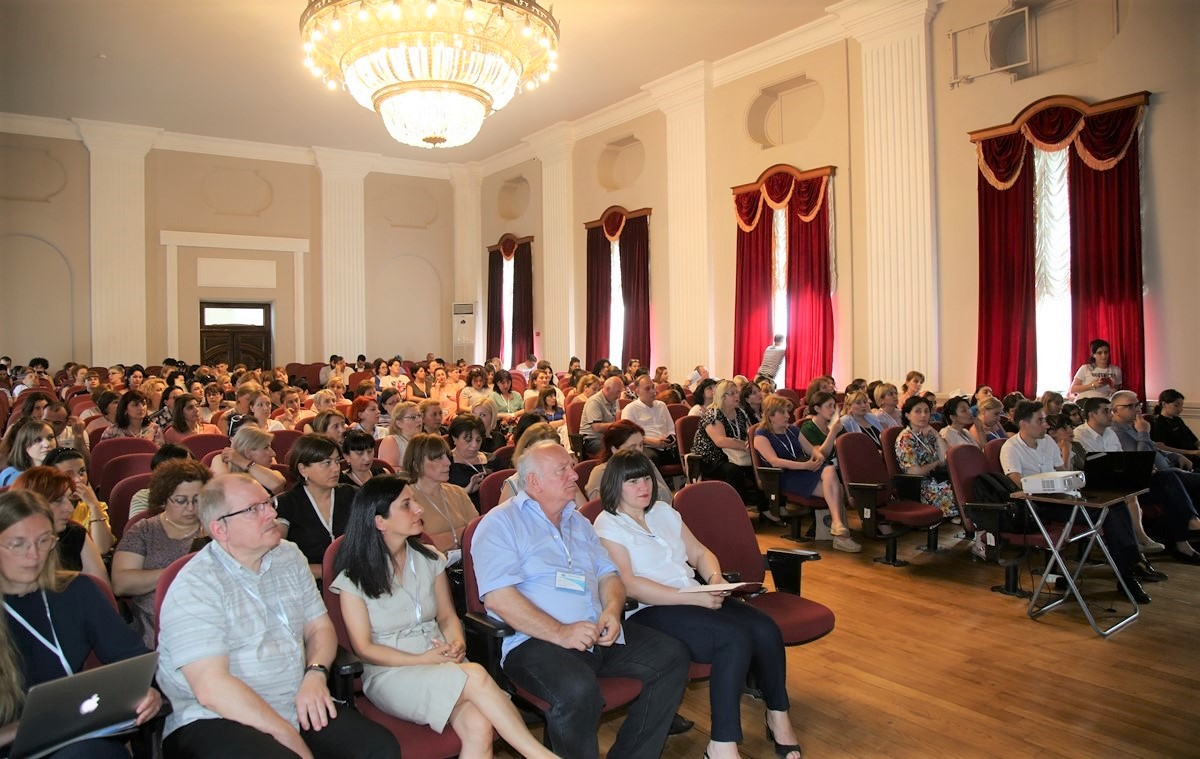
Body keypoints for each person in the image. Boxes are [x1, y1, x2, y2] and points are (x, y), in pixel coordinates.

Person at [470, 442, 690, 759]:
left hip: (594, 631)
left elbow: (609, 575)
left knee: (671, 656)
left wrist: (612, 610)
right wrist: (561, 632)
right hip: (535, 642)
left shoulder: (579, 522)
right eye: (562, 470)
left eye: (571, 468)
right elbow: (499, 598)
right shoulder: (500, 524)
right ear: (534, 482)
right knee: (578, 691)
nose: (574, 475)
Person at [155, 474, 400, 758]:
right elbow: (212, 688)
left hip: (293, 697)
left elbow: (319, 627)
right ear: (220, 529)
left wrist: (316, 673)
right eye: (253, 509)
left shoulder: (288, 556)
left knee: (378, 748)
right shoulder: (195, 585)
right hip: (217, 716)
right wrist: (284, 732)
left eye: (268, 503)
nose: (272, 513)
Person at [328, 477, 560, 759]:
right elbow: (364, 648)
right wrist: (421, 660)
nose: (418, 509)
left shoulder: (429, 559)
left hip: (440, 658)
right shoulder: (354, 578)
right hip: (391, 671)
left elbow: (448, 617)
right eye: (406, 505)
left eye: (414, 501)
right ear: (380, 522)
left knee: (479, 726)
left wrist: (457, 642)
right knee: (476, 674)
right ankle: (541, 756)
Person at [594, 451, 803, 759]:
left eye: (646, 478)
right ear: (615, 485)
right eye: (633, 481)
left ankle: (778, 715)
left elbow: (700, 553)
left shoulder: (663, 512)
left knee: (765, 627)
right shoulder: (608, 524)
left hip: (693, 595)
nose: (644, 487)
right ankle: (722, 744)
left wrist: (715, 578)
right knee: (732, 638)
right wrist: (693, 597)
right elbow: (629, 583)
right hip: (651, 610)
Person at [0, 490, 162, 759]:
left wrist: (147, 691)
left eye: (44, 540)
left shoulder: (76, 591)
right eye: (18, 544)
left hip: (76, 739)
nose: (34, 555)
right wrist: (26, 729)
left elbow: (132, 658)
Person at [1000, 400, 1152, 602]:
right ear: (1023, 424)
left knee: (1115, 506)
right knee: (1110, 513)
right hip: (1039, 505)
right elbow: (1018, 483)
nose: (1046, 425)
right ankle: (1129, 573)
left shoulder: (1047, 442)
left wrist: (1078, 481)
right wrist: (1051, 486)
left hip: (1062, 498)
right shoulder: (1011, 448)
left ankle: (1129, 569)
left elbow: (1062, 471)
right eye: (1040, 420)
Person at [111, 459, 211, 647]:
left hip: (210, 619)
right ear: (164, 499)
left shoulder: (216, 527)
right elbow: (121, 583)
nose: (191, 508)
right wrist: (176, 572)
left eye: (197, 500)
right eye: (181, 501)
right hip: (157, 625)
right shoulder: (144, 530)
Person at [1105, 391, 1200, 564]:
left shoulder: (1134, 426)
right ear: (1115, 410)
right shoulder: (1115, 432)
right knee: (1171, 479)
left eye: (1137, 404)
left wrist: (1175, 455)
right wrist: (1143, 433)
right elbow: (1140, 462)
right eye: (1130, 406)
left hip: (1166, 474)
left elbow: (1155, 448)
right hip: (1144, 484)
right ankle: (1191, 523)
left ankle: (1185, 541)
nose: (1137, 409)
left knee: (1181, 481)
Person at [755, 395, 859, 551]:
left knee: (829, 471)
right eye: (782, 412)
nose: (787, 415)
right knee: (836, 487)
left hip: (804, 469)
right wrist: (805, 466)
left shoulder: (792, 430)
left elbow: (811, 450)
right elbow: (774, 461)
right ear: (770, 415)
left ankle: (837, 526)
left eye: (787, 412)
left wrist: (818, 457)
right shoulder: (761, 434)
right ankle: (840, 535)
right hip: (784, 475)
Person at [10, 467, 109, 588]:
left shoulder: (74, 535)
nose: (70, 508)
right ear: (31, 504)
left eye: (68, 498)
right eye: (58, 500)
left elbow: (102, 591)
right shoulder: (7, 547)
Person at [276, 435, 355, 578]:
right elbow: (277, 558)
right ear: (303, 469)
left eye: (337, 461)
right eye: (327, 463)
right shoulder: (287, 504)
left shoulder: (353, 495)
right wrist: (330, 572)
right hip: (309, 581)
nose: (336, 468)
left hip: (357, 578)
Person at [403, 434, 478, 554]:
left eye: (447, 456)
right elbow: (418, 547)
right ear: (417, 465)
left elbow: (479, 532)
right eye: (438, 458)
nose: (448, 462)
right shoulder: (406, 500)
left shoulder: (458, 492)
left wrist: (444, 539)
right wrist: (461, 534)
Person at [43, 447, 115, 556]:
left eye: (82, 472)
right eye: (68, 475)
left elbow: (102, 548)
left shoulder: (95, 507)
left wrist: (94, 506)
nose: (78, 479)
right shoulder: (44, 508)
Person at [584, 420, 673, 507]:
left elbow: (667, 496)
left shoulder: (645, 463)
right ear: (614, 449)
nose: (639, 451)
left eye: (641, 445)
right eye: (632, 447)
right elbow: (598, 509)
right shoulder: (600, 473)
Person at [894, 396, 956, 518]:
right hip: (921, 488)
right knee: (960, 493)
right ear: (907, 415)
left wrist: (937, 435)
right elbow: (914, 472)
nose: (923, 415)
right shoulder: (905, 439)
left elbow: (946, 458)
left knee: (967, 487)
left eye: (926, 411)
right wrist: (936, 463)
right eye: (918, 411)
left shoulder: (929, 434)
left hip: (939, 480)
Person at [620, 375, 679, 466]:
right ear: (638, 391)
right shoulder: (630, 409)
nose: (653, 391)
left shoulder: (662, 405)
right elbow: (628, 436)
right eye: (647, 389)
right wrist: (652, 441)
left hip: (667, 446)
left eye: (653, 387)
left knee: (688, 453)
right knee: (651, 458)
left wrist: (670, 439)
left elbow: (671, 429)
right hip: (647, 446)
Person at [210, 426, 287, 494]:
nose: (273, 454)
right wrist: (243, 462)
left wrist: (245, 463)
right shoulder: (221, 462)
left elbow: (276, 485)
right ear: (247, 452)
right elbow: (227, 490)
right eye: (266, 448)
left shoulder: (273, 473)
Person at [447, 415, 490, 510]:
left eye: (478, 440)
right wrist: (466, 490)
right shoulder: (444, 463)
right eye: (468, 440)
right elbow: (439, 497)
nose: (474, 445)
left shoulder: (493, 460)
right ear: (454, 439)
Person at [1150, 389, 1200, 466]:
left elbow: (1194, 441)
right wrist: (1190, 452)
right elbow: (1160, 447)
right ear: (1164, 404)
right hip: (1181, 460)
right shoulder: (1158, 422)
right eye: (1176, 405)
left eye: (1181, 405)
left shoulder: (1178, 420)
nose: (1181, 409)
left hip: (1194, 456)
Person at [0, 420, 57, 487]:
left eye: (50, 438)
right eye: (37, 440)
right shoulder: (12, 477)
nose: (47, 444)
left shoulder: (62, 471)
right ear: (24, 445)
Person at [100, 390, 165, 447]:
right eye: (135, 405)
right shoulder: (111, 432)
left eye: (143, 404)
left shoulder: (155, 429)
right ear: (125, 409)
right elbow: (104, 454)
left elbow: (159, 453)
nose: (141, 408)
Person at [580, 376, 624, 458]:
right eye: (617, 392)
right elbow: (597, 427)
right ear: (607, 389)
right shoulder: (594, 401)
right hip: (592, 439)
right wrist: (618, 424)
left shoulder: (614, 400)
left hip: (609, 436)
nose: (619, 396)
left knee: (628, 445)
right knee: (613, 451)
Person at [377, 401, 423, 474]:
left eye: (419, 415)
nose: (419, 420)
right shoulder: (391, 441)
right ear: (398, 423)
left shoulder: (424, 440)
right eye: (413, 417)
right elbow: (390, 469)